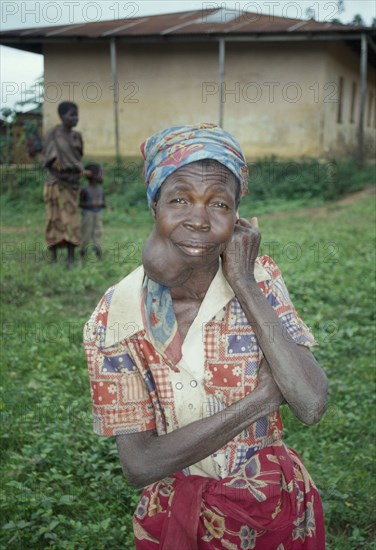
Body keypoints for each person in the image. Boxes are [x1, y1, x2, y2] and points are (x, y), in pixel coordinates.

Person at [84, 123, 328, 549]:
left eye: (219, 203)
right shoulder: (116, 316)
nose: (198, 219)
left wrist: (244, 283)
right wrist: (264, 399)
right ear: (154, 204)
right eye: (179, 199)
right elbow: (140, 464)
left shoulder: (260, 280)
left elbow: (309, 402)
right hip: (174, 517)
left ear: (238, 219)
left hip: (270, 504)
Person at [42, 101, 85, 268]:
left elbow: (78, 158)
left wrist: (74, 168)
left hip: (72, 184)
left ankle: (70, 258)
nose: (75, 118)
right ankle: (53, 257)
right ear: (62, 116)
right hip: (56, 183)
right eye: (71, 115)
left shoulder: (77, 136)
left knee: (71, 220)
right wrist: (64, 166)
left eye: (77, 114)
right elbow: (49, 159)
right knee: (54, 219)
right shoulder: (53, 134)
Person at [79, 163, 105, 260]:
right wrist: (92, 205)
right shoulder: (85, 190)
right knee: (86, 232)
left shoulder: (100, 190)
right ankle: (83, 251)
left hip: (97, 213)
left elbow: (103, 202)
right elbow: (81, 204)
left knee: (98, 232)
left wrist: (99, 204)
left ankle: (98, 250)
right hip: (88, 214)